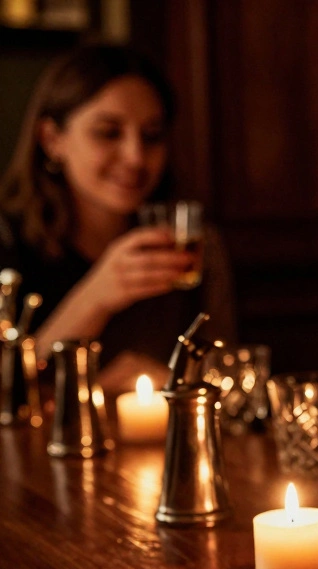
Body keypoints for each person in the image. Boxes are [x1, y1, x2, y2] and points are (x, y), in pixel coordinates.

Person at [0, 45, 236, 393]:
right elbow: (6, 394)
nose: (136, 157)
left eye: (152, 136)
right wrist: (96, 296)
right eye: (109, 133)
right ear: (52, 139)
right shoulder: (8, 242)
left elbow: (224, 375)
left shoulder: (192, 245)